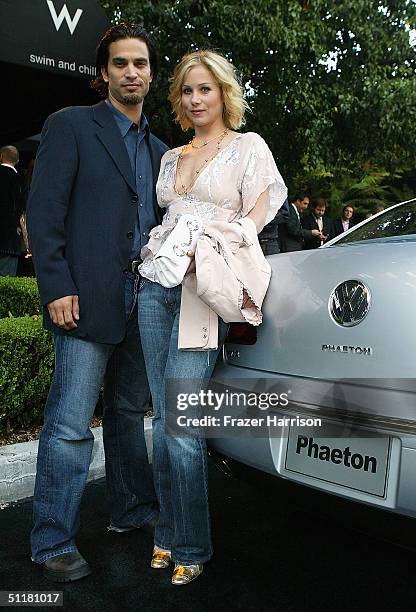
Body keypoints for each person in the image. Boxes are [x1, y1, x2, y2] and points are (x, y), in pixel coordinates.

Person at [137, 50, 287, 585]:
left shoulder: (248, 148)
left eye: (205, 89)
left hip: (204, 290)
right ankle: (165, 532)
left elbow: (257, 217)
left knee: (183, 424)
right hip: (155, 288)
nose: (195, 99)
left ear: (224, 92)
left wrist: (213, 244)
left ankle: (192, 544)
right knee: (164, 418)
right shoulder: (171, 157)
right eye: (186, 91)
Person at [26, 23, 168, 582]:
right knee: (68, 425)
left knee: (130, 416)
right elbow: (45, 212)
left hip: (146, 303)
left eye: (140, 63)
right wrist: (57, 286)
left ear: (152, 74)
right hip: (84, 301)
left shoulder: (162, 152)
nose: (131, 72)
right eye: (120, 64)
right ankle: (52, 539)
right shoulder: (70, 126)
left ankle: (132, 510)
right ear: (103, 73)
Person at [0, 145, 28, 276]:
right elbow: (22, 212)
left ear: (0, 157)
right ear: (17, 161)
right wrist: (27, 244)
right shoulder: (20, 180)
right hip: (9, 241)